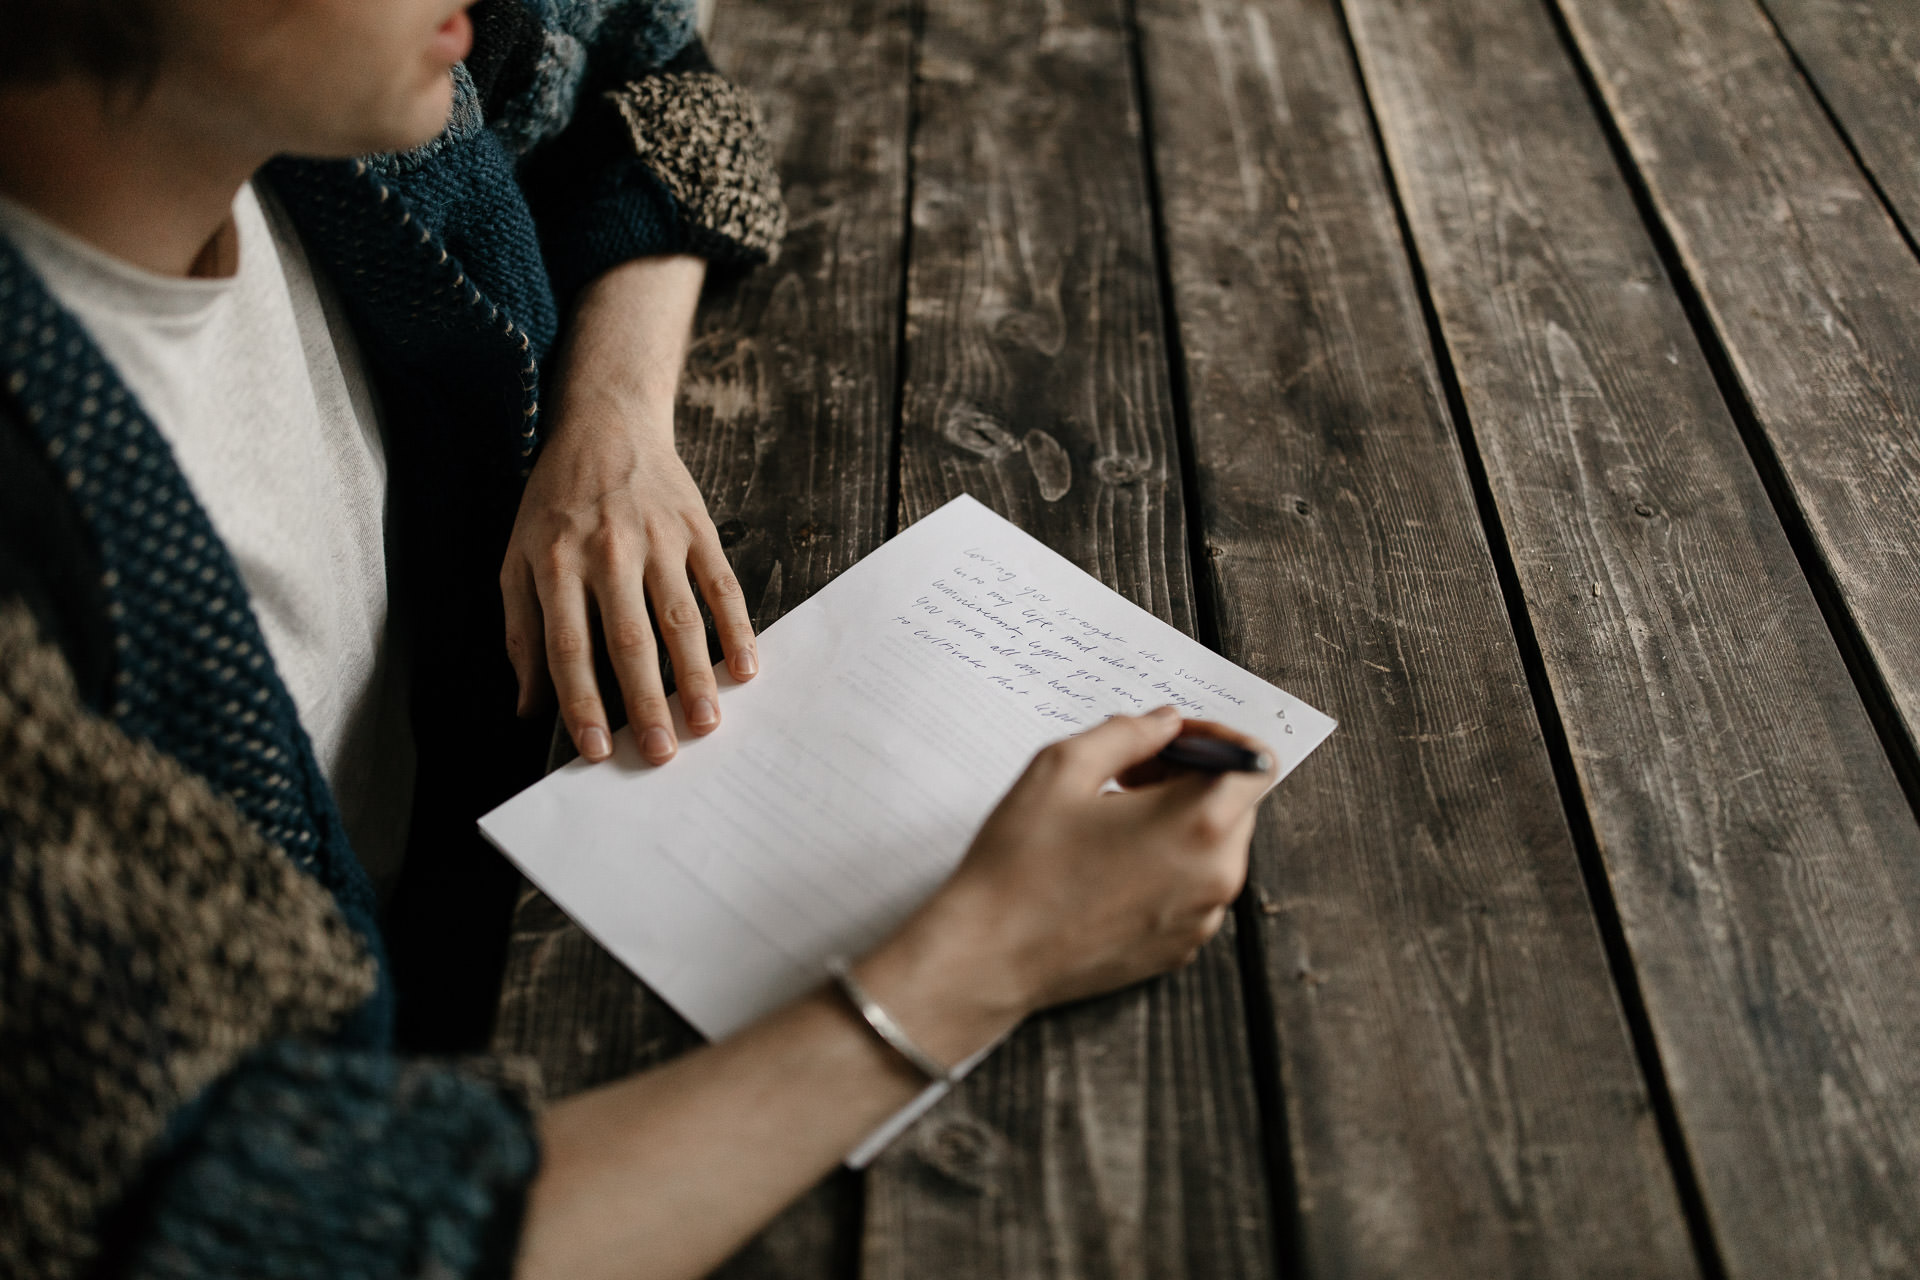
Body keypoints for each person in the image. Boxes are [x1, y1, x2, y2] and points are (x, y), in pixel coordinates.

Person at [0, 1, 1276, 1277]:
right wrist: (981, 958)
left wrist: (610, 416)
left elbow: (656, 88)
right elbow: (255, 1232)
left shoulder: (322, 108)